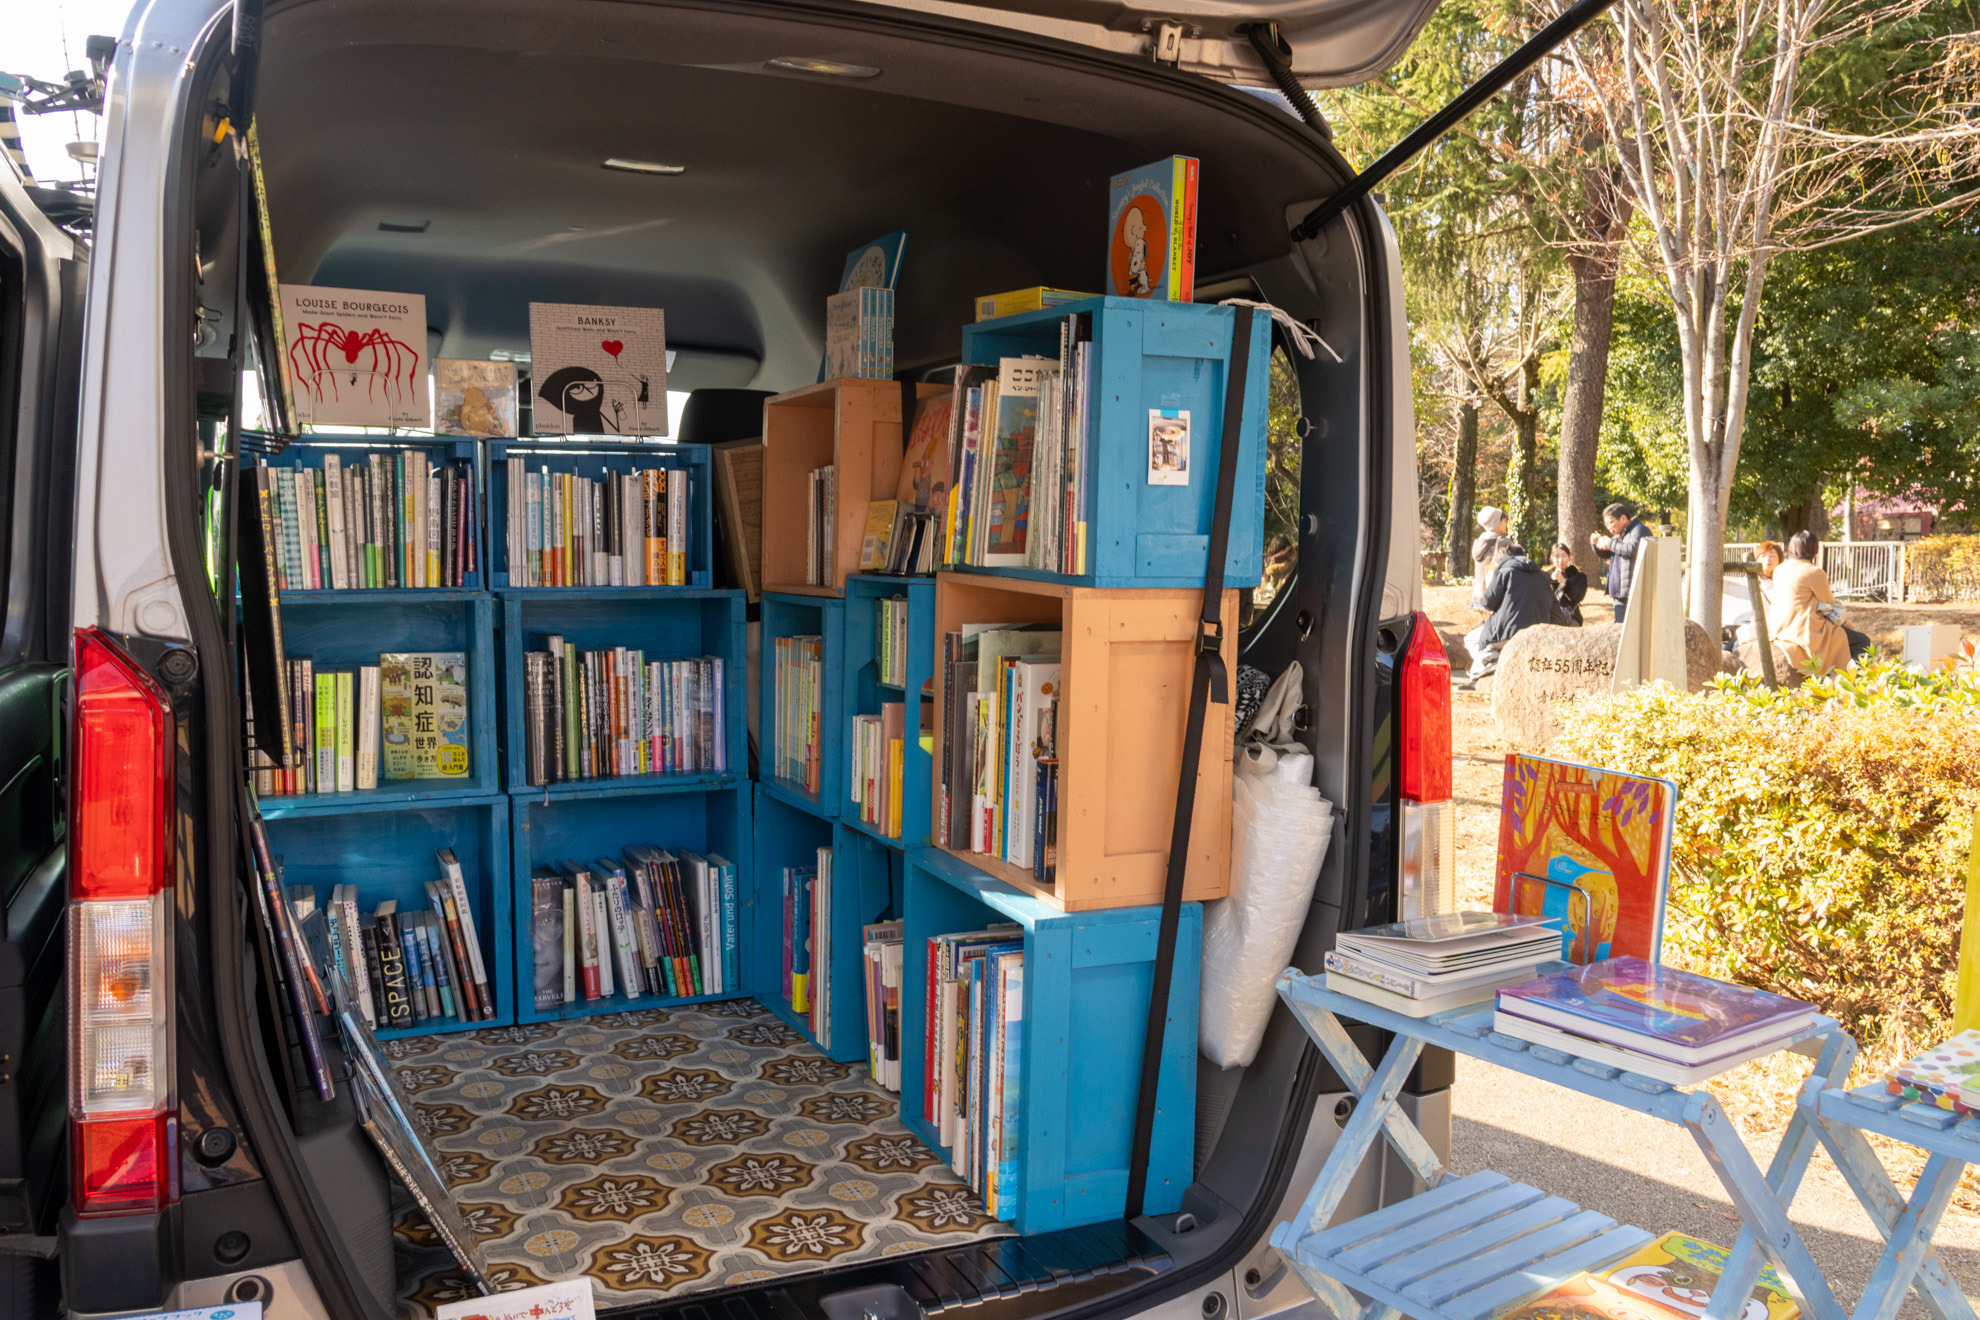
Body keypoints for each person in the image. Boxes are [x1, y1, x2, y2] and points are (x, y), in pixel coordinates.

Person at [1461, 542, 1566, 683]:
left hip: (1506, 633)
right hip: (1537, 635)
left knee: (1470, 639)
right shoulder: (1542, 575)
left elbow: (1488, 603)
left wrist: (1493, 579)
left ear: (1503, 558)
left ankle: (1491, 660)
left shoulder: (1505, 570)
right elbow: (1557, 615)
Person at [1771, 530, 1853, 675]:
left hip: (1779, 628)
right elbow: (1829, 603)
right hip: (1803, 630)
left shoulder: (1779, 569)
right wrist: (1846, 622)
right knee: (1860, 640)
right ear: (1815, 549)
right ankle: (1852, 682)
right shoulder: (1814, 572)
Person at [1590, 502, 1650, 622]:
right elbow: (1607, 553)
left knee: (1631, 627)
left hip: (1634, 590)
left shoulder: (1639, 529)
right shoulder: (1618, 535)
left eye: (1611, 522)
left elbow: (1632, 549)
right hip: (1619, 590)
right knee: (1620, 626)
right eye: (1606, 524)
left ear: (1623, 518)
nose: (1608, 527)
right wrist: (1595, 544)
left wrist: (1609, 543)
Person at [1549, 542, 1587, 626]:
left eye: (1564, 556)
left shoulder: (1579, 576)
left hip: (1571, 617)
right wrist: (1552, 582)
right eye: (1557, 556)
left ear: (1569, 557)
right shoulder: (1546, 577)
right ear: (1552, 558)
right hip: (1551, 618)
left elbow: (1578, 597)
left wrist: (1565, 582)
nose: (1561, 560)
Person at [1472, 507, 1506, 578]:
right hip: (1495, 587)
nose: (1506, 524)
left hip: (1479, 587)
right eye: (1504, 521)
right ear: (1496, 522)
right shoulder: (1502, 542)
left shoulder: (1479, 541)